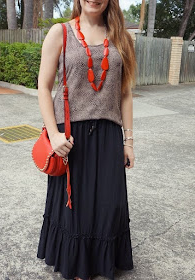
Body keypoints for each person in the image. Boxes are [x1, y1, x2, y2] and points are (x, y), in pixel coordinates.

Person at [36, 0, 137, 279]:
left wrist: (128, 141)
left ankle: (101, 260)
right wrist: (54, 135)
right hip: (69, 135)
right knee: (75, 204)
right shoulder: (61, 32)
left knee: (108, 203)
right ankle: (76, 264)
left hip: (108, 133)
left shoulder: (121, 37)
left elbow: (125, 93)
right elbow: (44, 87)